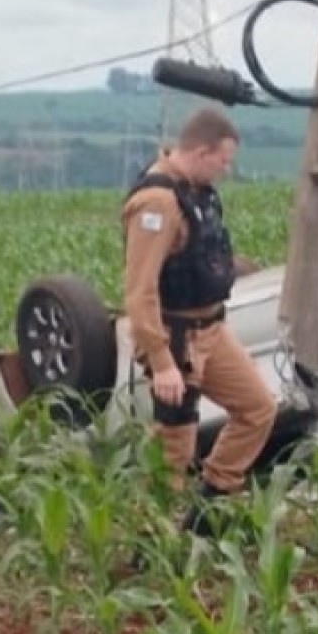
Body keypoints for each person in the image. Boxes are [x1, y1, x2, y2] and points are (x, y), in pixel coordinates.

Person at [121, 106, 276, 533]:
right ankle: (149, 543)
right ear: (202, 151)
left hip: (212, 330)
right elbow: (140, 291)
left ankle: (207, 513)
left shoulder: (195, 193)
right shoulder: (157, 203)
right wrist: (161, 361)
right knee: (174, 449)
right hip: (175, 338)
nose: (225, 170)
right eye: (223, 161)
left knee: (258, 408)